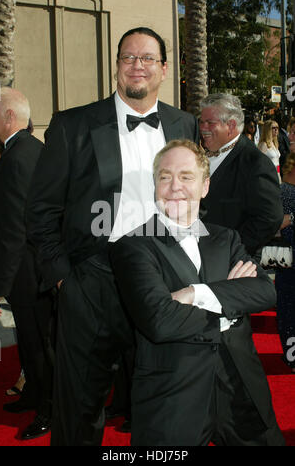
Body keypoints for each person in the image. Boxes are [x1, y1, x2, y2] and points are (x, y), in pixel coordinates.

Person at [26, 27, 199, 446]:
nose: (136, 66)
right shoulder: (73, 125)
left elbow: (194, 198)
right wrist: (64, 279)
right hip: (92, 279)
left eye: (146, 58)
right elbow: (40, 211)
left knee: (161, 401)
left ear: (163, 68)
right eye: (128, 57)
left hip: (162, 281)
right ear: (116, 66)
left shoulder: (183, 123)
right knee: (79, 406)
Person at [109, 139, 285, 446]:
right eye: (165, 177)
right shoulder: (133, 246)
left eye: (186, 177)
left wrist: (193, 293)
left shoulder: (227, 238)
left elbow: (263, 292)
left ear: (205, 186)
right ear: (155, 186)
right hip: (173, 397)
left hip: (242, 388)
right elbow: (159, 320)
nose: (175, 186)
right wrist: (230, 308)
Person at [0, 87, 54, 440]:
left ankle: (48, 410)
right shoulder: (26, 149)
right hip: (31, 269)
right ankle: (33, 395)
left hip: (28, 273)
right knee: (31, 342)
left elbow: (14, 230)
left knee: (39, 344)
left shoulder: (18, 158)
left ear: (9, 116)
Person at [199, 94, 283, 259]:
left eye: (209, 122)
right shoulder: (201, 156)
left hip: (232, 266)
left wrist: (233, 248)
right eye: (201, 122)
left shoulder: (255, 163)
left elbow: (270, 217)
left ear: (230, 126)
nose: (203, 128)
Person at [275, 118, 295, 373]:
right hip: (280, 246)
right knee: (285, 300)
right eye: (290, 130)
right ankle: (290, 356)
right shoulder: (285, 164)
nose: (291, 135)